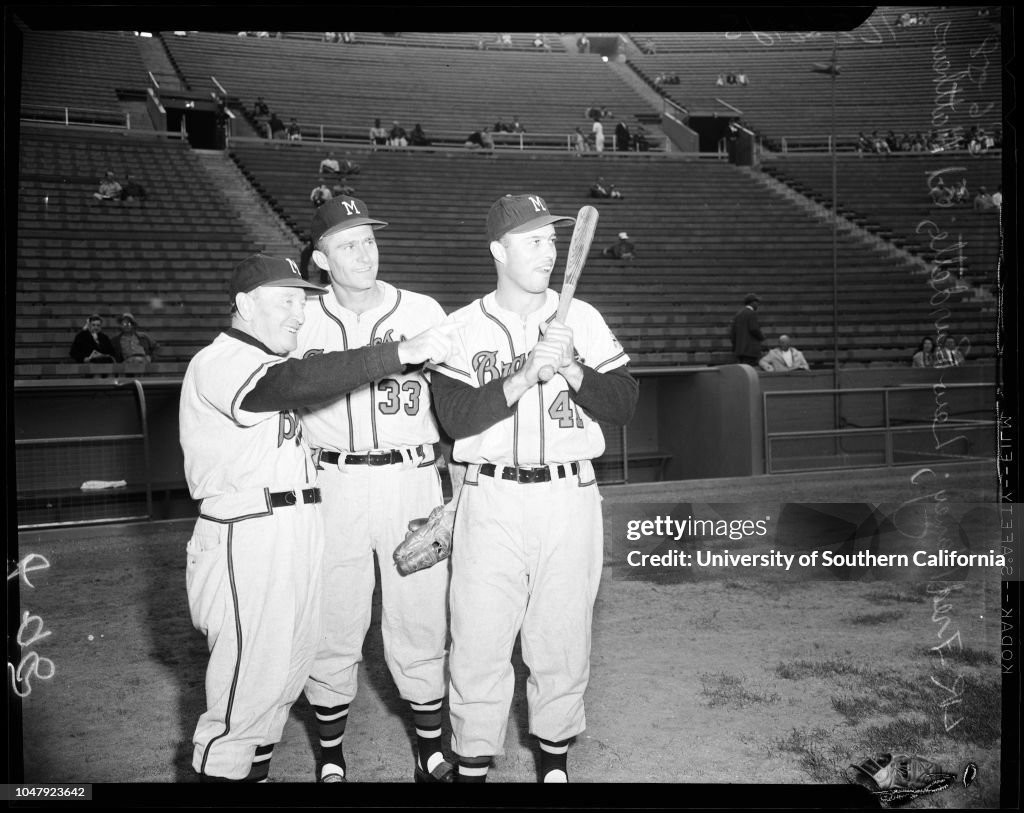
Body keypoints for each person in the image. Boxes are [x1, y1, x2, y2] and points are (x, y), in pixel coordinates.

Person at [179, 253, 455, 782]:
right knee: (244, 689)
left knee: (281, 676)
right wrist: (398, 351)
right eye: (284, 300)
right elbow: (290, 384)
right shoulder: (222, 359)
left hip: (294, 527)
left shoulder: (264, 360)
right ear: (244, 305)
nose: (298, 313)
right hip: (246, 533)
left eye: (301, 301)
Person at [429, 193, 639, 782]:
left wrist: (573, 368)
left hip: (569, 497)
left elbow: (624, 404)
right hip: (490, 497)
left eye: (552, 240)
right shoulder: (461, 327)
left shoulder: (584, 318)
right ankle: (473, 761)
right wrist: (522, 376)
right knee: (478, 639)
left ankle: (554, 763)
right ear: (499, 251)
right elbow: (455, 418)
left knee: (562, 637)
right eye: (534, 241)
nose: (549, 252)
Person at [295, 196, 459, 784]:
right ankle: (331, 753)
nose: (365, 253)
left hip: (410, 480)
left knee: (421, 616)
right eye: (348, 244)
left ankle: (431, 750)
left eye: (368, 239)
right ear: (321, 259)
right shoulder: (300, 319)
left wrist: (457, 487)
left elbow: (457, 402)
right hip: (329, 482)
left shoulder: (421, 309)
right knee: (332, 620)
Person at [730, 293, 764, 366]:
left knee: (743, 371)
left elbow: (733, 333)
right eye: (757, 302)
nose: (758, 305)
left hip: (740, 351)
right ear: (752, 302)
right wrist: (762, 337)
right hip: (750, 350)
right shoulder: (752, 313)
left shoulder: (738, 314)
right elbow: (754, 329)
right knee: (750, 370)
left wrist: (736, 347)